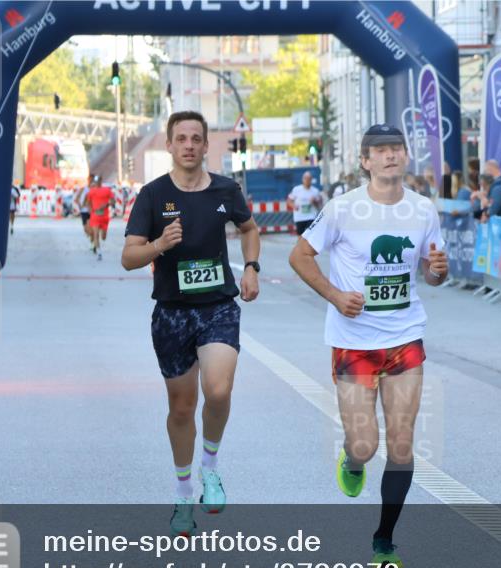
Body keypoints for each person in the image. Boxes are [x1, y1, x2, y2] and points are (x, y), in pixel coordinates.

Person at [288, 123, 447, 568]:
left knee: (401, 445)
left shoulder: (422, 210)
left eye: (397, 148)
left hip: (404, 339)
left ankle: (384, 540)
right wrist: (336, 297)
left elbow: (434, 274)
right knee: (365, 445)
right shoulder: (343, 209)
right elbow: (299, 256)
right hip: (353, 344)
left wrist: (438, 270)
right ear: (365, 160)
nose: (390, 156)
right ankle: (353, 461)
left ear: (405, 156)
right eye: (381, 151)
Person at [121, 110, 261, 537]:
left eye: (195, 138)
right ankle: (183, 494)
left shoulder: (225, 189)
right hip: (172, 312)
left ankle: (211, 469)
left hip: (218, 305)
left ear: (204, 146)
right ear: (169, 144)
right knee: (181, 408)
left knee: (218, 389)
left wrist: (251, 266)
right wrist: (160, 244)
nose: (188, 145)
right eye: (180, 138)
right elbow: (128, 257)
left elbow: (249, 228)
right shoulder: (151, 195)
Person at [86, 175, 114, 259]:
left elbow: (113, 201)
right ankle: (99, 253)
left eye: (99, 181)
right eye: (96, 181)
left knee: (103, 237)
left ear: (101, 181)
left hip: (105, 217)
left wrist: (107, 204)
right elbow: (88, 202)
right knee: (96, 234)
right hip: (95, 215)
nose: (97, 182)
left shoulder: (107, 190)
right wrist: (91, 210)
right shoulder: (91, 191)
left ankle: (98, 248)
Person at [288, 170, 323, 235]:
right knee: (300, 237)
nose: (307, 180)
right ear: (303, 179)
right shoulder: (297, 189)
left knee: (310, 235)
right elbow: (289, 201)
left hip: (311, 216)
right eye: (306, 178)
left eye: (309, 179)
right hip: (299, 217)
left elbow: (320, 205)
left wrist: (314, 201)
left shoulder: (315, 191)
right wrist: (294, 206)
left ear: (311, 180)